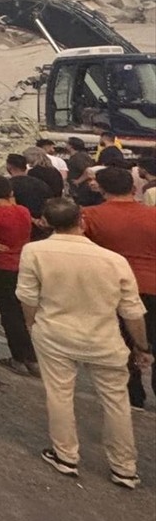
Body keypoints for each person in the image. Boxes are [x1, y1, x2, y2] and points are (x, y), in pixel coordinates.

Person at [17, 198, 150, 489]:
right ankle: (124, 466)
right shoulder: (113, 260)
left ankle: (66, 454)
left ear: (47, 223)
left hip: (54, 332)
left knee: (59, 394)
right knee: (116, 402)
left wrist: (32, 325)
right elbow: (132, 310)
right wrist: (141, 346)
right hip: (103, 337)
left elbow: (27, 297)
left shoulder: (34, 252)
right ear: (82, 220)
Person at [82, 166, 156, 412]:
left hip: (113, 290)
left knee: (121, 346)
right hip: (152, 288)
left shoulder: (89, 216)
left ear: (102, 190)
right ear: (134, 189)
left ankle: (132, 399)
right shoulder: (153, 215)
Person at [0, 174, 39, 377]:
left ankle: (19, 357)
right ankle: (31, 356)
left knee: (8, 311)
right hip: (21, 263)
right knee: (22, 310)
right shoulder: (23, 211)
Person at [5, 153, 53, 240]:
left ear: (9, 167)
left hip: (17, 228)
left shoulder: (7, 186)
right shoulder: (41, 184)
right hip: (40, 228)